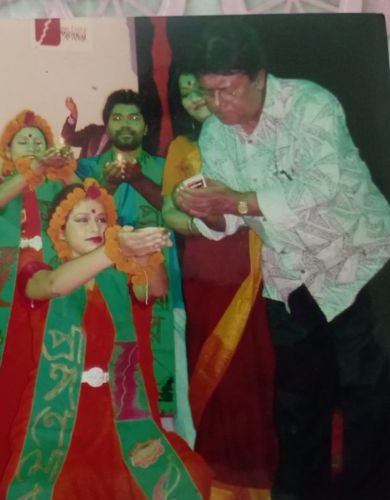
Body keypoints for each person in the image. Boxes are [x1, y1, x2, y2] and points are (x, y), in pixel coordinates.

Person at [174, 20, 390, 500]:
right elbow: (230, 219)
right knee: (296, 405)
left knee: (369, 399)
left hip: (360, 265)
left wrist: (234, 200)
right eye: (208, 92)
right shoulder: (215, 134)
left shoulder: (311, 104)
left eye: (227, 90)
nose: (216, 104)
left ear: (259, 77)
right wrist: (206, 210)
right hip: (290, 279)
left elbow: (319, 187)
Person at [0, 179, 211, 499]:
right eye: (82, 220)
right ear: (60, 232)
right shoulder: (37, 270)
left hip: (121, 413)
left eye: (101, 219)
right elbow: (54, 285)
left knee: (187, 477)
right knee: (59, 489)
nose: (95, 227)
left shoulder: (118, 274)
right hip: (57, 416)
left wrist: (144, 255)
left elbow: (155, 289)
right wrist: (115, 249)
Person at [162, 68, 277, 497]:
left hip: (255, 260)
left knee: (256, 362)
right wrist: (205, 220)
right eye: (186, 91)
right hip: (206, 267)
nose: (196, 97)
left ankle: (259, 469)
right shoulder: (181, 147)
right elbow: (168, 212)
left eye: (202, 88)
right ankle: (219, 470)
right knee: (210, 361)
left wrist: (235, 212)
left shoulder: (251, 138)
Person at [0, 109, 77, 495]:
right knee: (7, 372)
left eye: (38, 140)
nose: (32, 145)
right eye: (23, 140)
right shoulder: (0, 182)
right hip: (9, 294)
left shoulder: (59, 185)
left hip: (55, 288)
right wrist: (35, 170)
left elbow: (86, 202)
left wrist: (65, 171)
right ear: (8, 150)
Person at [77, 89, 194, 444]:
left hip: (162, 292)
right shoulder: (86, 169)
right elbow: (75, 222)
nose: (124, 124)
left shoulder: (165, 168)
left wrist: (139, 179)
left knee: (168, 374)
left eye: (133, 118)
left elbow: (182, 217)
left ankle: (174, 450)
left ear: (146, 127)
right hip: (103, 294)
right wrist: (109, 184)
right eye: (117, 118)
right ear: (106, 125)